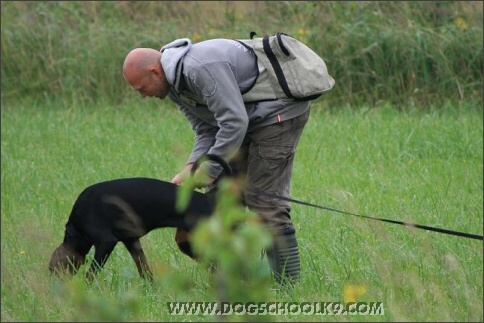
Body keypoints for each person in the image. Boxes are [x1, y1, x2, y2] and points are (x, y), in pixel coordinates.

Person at [122, 37, 314, 284]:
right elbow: (206, 128)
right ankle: (236, 281)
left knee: (264, 201)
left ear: (154, 72)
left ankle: (286, 287)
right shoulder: (173, 84)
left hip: (279, 114)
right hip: (247, 118)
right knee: (219, 200)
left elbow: (234, 122)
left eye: (141, 89)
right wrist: (192, 167)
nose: (143, 96)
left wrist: (210, 169)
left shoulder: (198, 69)